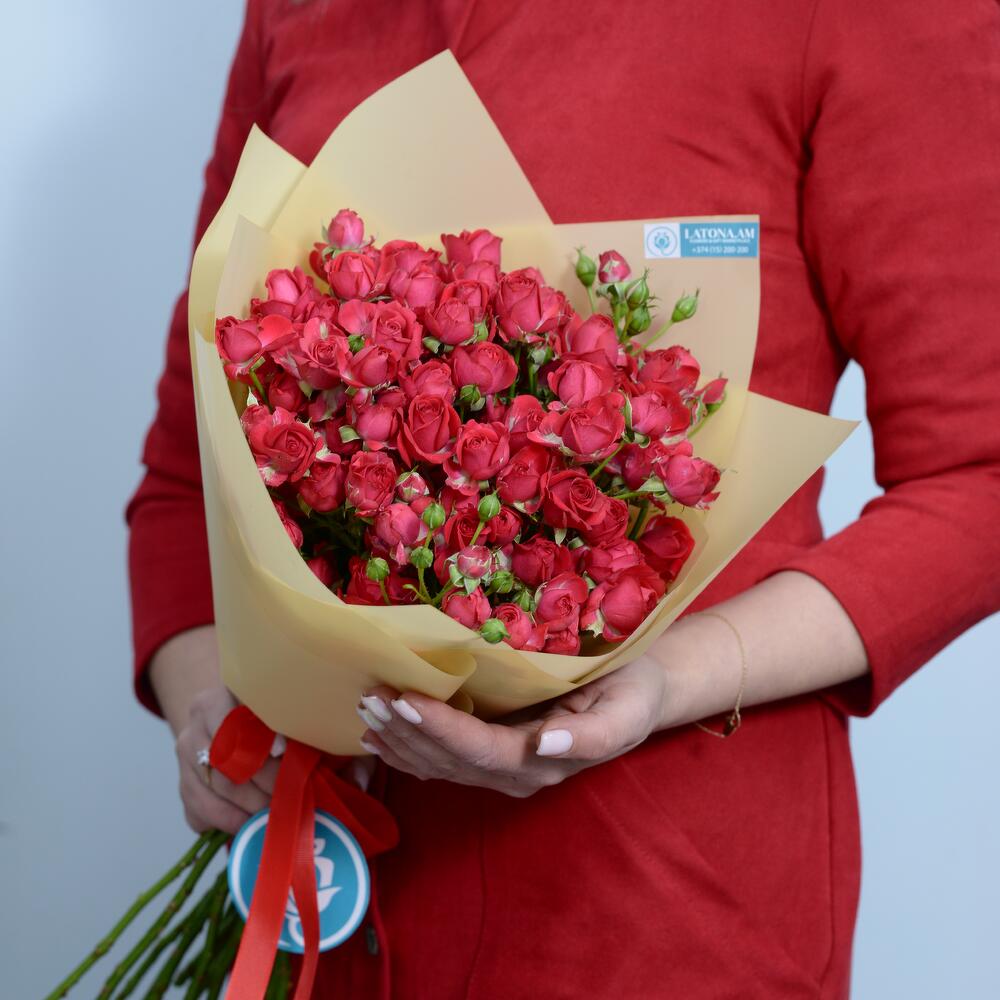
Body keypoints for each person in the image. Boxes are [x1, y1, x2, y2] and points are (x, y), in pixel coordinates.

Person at [126, 1, 1000, 997]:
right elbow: (189, 470)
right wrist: (215, 712)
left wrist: (669, 678)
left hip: (658, 903)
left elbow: (979, 478)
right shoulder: (297, 12)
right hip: (333, 893)